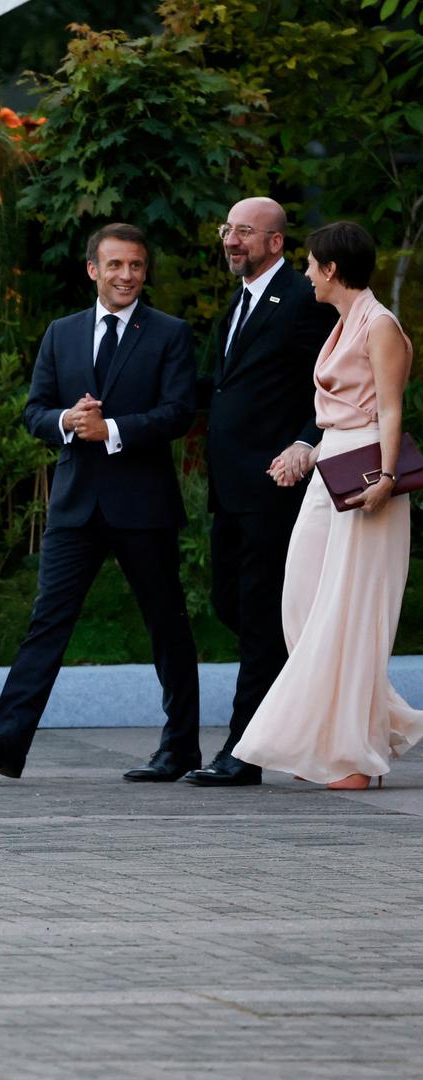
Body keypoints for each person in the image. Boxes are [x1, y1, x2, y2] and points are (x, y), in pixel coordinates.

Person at [0, 223, 202, 781]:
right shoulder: (62, 333)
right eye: (115, 265)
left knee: (167, 627)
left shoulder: (170, 333)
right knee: (47, 623)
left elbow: (179, 412)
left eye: (136, 266)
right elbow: (34, 409)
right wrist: (65, 420)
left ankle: (181, 748)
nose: (127, 275)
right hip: (75, 506)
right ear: (93, 270)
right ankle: (5, 743)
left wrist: (111, 428)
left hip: (143, 506)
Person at [232, 221, 422, 789]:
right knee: (304, 602)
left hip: (366, 476)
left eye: (312, 264)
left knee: (350, 612)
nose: (307, 273)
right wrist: (308, 452)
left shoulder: (380, 324)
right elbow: (338, 411)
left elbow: (389, 409)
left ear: (332, 269)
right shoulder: (343, 322)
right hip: (330, 467)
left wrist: (387, 476)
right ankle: (360, 729)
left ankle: (352, 757)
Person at [184, 198, 338, 787]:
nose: (231, 240)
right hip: (230, 485)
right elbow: (224, 386)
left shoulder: (304, 300)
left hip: (277, 482)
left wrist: (305, 442)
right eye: (228, 229)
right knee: (235, 605)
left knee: (257, 615)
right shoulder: (242, 300)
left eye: (245, 231)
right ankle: (303, 710)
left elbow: (333, 384)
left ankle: (244, 750)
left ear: (276, 242)